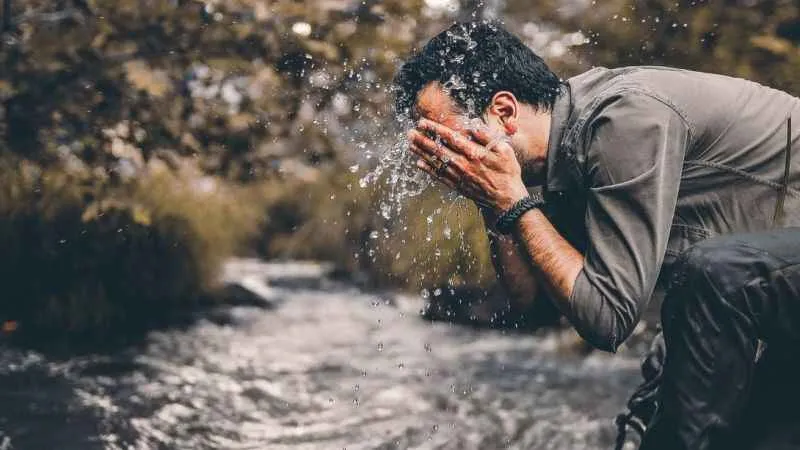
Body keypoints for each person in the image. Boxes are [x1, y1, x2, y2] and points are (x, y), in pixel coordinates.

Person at [393, 20, 800, 450]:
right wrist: (492, 202)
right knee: (657, 403)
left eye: (446, 139)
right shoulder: (561, 167)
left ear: (504, 112)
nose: (443, 158)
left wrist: (511, 200)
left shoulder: (623, 120)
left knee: (719, 275)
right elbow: (532, 305)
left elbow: (608, 320)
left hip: (752, 286)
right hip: (772, 300)